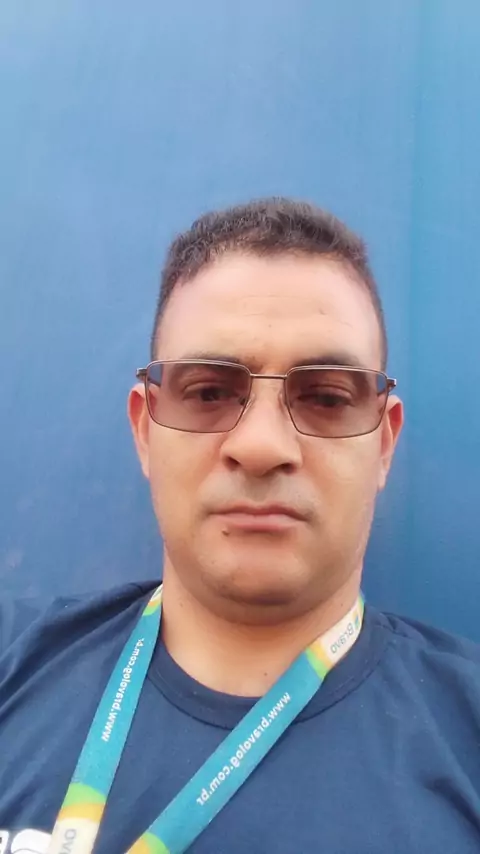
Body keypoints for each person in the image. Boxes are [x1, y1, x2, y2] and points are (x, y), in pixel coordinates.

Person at [0, 198, 479, 854]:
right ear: (145, 431)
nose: (261, 446)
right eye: (209, 392)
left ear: (383, 444)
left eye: (326, 396)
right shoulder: (13, 667)